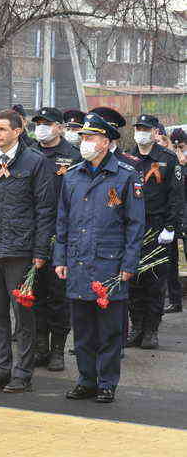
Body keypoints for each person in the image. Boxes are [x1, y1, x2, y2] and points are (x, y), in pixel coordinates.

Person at [55, 114, 144, 403]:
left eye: (90, 138)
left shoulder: (126, 175)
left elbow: (135, 224)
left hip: (109, 263)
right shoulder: (72, 175)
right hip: (79, 261)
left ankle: (107, 382)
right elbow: (62, 222)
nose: (84, 143)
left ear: (106, 142)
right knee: (82, 330)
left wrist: (129, 264)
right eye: (82, 138)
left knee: (109, 330)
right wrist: (61, 258)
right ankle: (86, 379)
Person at [0, 108, 54, 393]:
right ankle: (0, 368)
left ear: (18, 131)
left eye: (3, 129)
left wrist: (40, 251)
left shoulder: (35, 162)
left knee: (24, 316)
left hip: (21, 250)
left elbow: (45, 210)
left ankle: (23, 372)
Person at [124, 113, 183, 350]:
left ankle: (151, 330)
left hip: (157, 227)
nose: (141, 132)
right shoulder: (128, 157)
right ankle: (136, 326)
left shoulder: (167, 159)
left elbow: (176, 196)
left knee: (155, 282)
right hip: (132, 226)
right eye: (138, 128)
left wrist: (170, 227)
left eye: (146, 128)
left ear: (155, 132)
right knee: (132, 279)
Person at [31, 107, 82, 371]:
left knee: (58, 295)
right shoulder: (27, 152)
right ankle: (40, 345)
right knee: (36, 292)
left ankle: (57, 350)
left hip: (62, 233)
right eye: (38, 123)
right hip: (32, 233)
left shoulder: (73, 156)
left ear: (59, 127)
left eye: (47, 123)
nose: (41, 127)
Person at [164, 127, 187, 314]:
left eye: (182, 145)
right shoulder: (170, 161)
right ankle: (175, 300)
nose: (179, 149)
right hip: (174, 217)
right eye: (176, 145)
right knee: (171, 261)